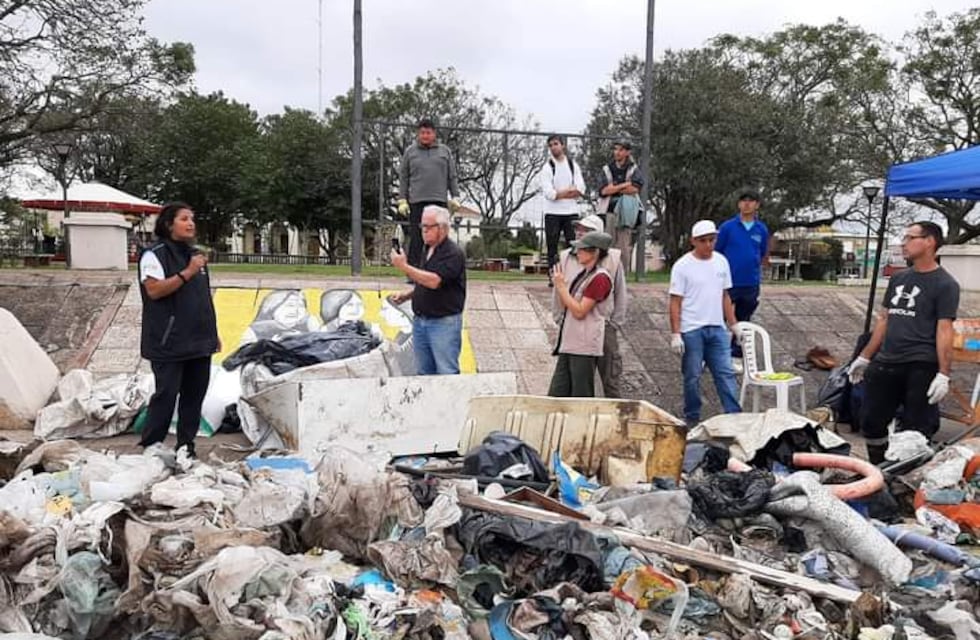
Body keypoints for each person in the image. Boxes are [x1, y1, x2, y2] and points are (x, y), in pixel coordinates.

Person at [847, 221, 960, 464]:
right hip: (887, 361)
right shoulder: (899, 279)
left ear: (929, 241)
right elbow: (884, 319)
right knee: (871, 421)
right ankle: (879, 470)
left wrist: (943, 373)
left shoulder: (945, 284)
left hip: (920, 363)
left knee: (916, 427)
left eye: (910, 238)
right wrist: (865, 356)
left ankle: (906, 478)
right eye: (904, 238)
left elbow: (944, 329)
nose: (903, 243)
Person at [137, 202, 220, 459]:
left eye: (192, 218)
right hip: (168, 340)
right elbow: (154, 290)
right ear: (168, 224)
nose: (191, 223)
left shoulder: (195, 256)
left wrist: (212, 333)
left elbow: (202, 297)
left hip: (199, 340)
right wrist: (187, 272)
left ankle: (186, 445)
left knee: (194, 396)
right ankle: (152, 444)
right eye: (184, 218)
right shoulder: (154, 255)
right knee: (167, 394)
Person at [669, 220, 742, 426]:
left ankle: (733, 415)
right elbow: (675, 301)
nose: (708, 245)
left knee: (725, 373)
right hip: (692, 328)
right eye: (703, 241)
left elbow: (725, 295)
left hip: (716, 326)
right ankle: (692, 416)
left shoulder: (721, 262)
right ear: (694, 241)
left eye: (712, 240)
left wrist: (733, 323)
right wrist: (676, 333)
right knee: (692, 375)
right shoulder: (683, 266)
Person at [552, 214, 628, 398]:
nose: (580, 234)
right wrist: (560, 317)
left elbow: (619, 293)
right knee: (563, 388)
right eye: (579, 229)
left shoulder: (607, 267)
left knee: (606, 381)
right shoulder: (567, 259)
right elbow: (561, 297)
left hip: (596, 330)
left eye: (586, 231)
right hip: (573, 334)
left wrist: (614, 323)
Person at [389, 205, 467, 374]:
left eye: (427, 226)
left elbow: (434, 281)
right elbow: (424, 280)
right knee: (424, 373)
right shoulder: (427, 249)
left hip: (443, 323)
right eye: (422, 226)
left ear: (442, 228)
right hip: (420, 321)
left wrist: (404, 266)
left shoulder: (453, 253)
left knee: (446, 371)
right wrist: (408, 295)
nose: (423, 231)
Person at [397, 118, 461, 269]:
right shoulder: (410, 152)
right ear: (418, 134)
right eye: (422, 133)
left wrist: (456, 196)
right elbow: (404, 177)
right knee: (417, 237)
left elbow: (452, 176)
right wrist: (402, 199)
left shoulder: (445, 151)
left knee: (439, 237)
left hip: (439, 201)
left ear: (434, 133)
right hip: (417, 201)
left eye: (428, 132)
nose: (425, 136)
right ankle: (413, 271)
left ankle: (439, 269)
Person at [715, 189, 769, 363]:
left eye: (751, 201)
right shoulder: (727, 227)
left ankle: (736, 354)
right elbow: (718, 251)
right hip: (729, 282)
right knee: (720, 318)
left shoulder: (761, 229)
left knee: (744, 319)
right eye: (743, 200)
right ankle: (714, 354)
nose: (747, 204)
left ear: (757, 205)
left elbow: (761, 253)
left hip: (750, 282)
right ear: (739, 204)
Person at [538, 134, 586, 285]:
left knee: (573, 245)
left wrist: (562, 193)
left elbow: (581, 189)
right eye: (551, 145)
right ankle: (553, 276)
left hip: (571, 213)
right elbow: (550, 194)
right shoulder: (547, 168)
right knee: (552, 247)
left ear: (563, 145)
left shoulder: (573, 165)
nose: (553, 147)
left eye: (556, 144)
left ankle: (572, 275)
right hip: (552, 213)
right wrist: (568, 191)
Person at [596, 139, 644, 275]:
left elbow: (635, 188)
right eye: (616, 149)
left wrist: (613, 188)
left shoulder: (634, 169)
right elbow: (603, 191)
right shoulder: (607, 169)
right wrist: (623, 185)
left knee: (623, 245)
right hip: (609, 211)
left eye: (621, 149)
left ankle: (621, 275)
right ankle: (606, 273)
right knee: (607, 243)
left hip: (627, 213)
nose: (617, 152)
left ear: (628, 152)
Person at [241, 289, 319, 345]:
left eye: (301, 306)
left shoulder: (310, 325)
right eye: (290, 305)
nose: (296, 311)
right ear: (272, 307)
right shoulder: (256, 330)